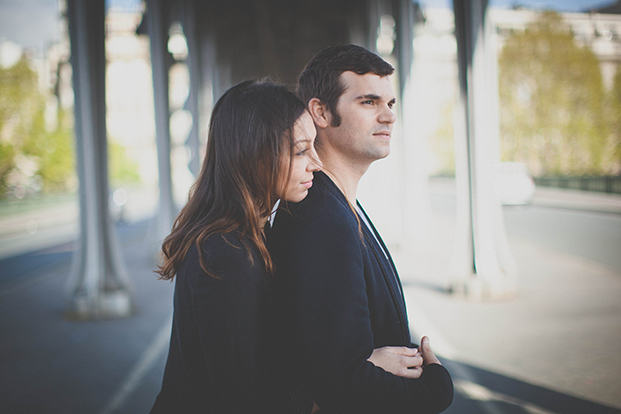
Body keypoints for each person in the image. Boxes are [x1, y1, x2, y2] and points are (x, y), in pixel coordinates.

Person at [267, 45, 454, 413]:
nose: (388, 117)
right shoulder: (321, 218)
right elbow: (343, 385)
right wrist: (437, 388)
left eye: (391, 103)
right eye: (369, 102)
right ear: (320, 111)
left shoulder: (338, 203)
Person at [150, 80, 322, 413]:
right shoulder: (226, 256)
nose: (315, 162)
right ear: (256, 154)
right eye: (301, 150)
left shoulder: (245, 236)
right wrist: (324, 401)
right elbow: (245, 398)